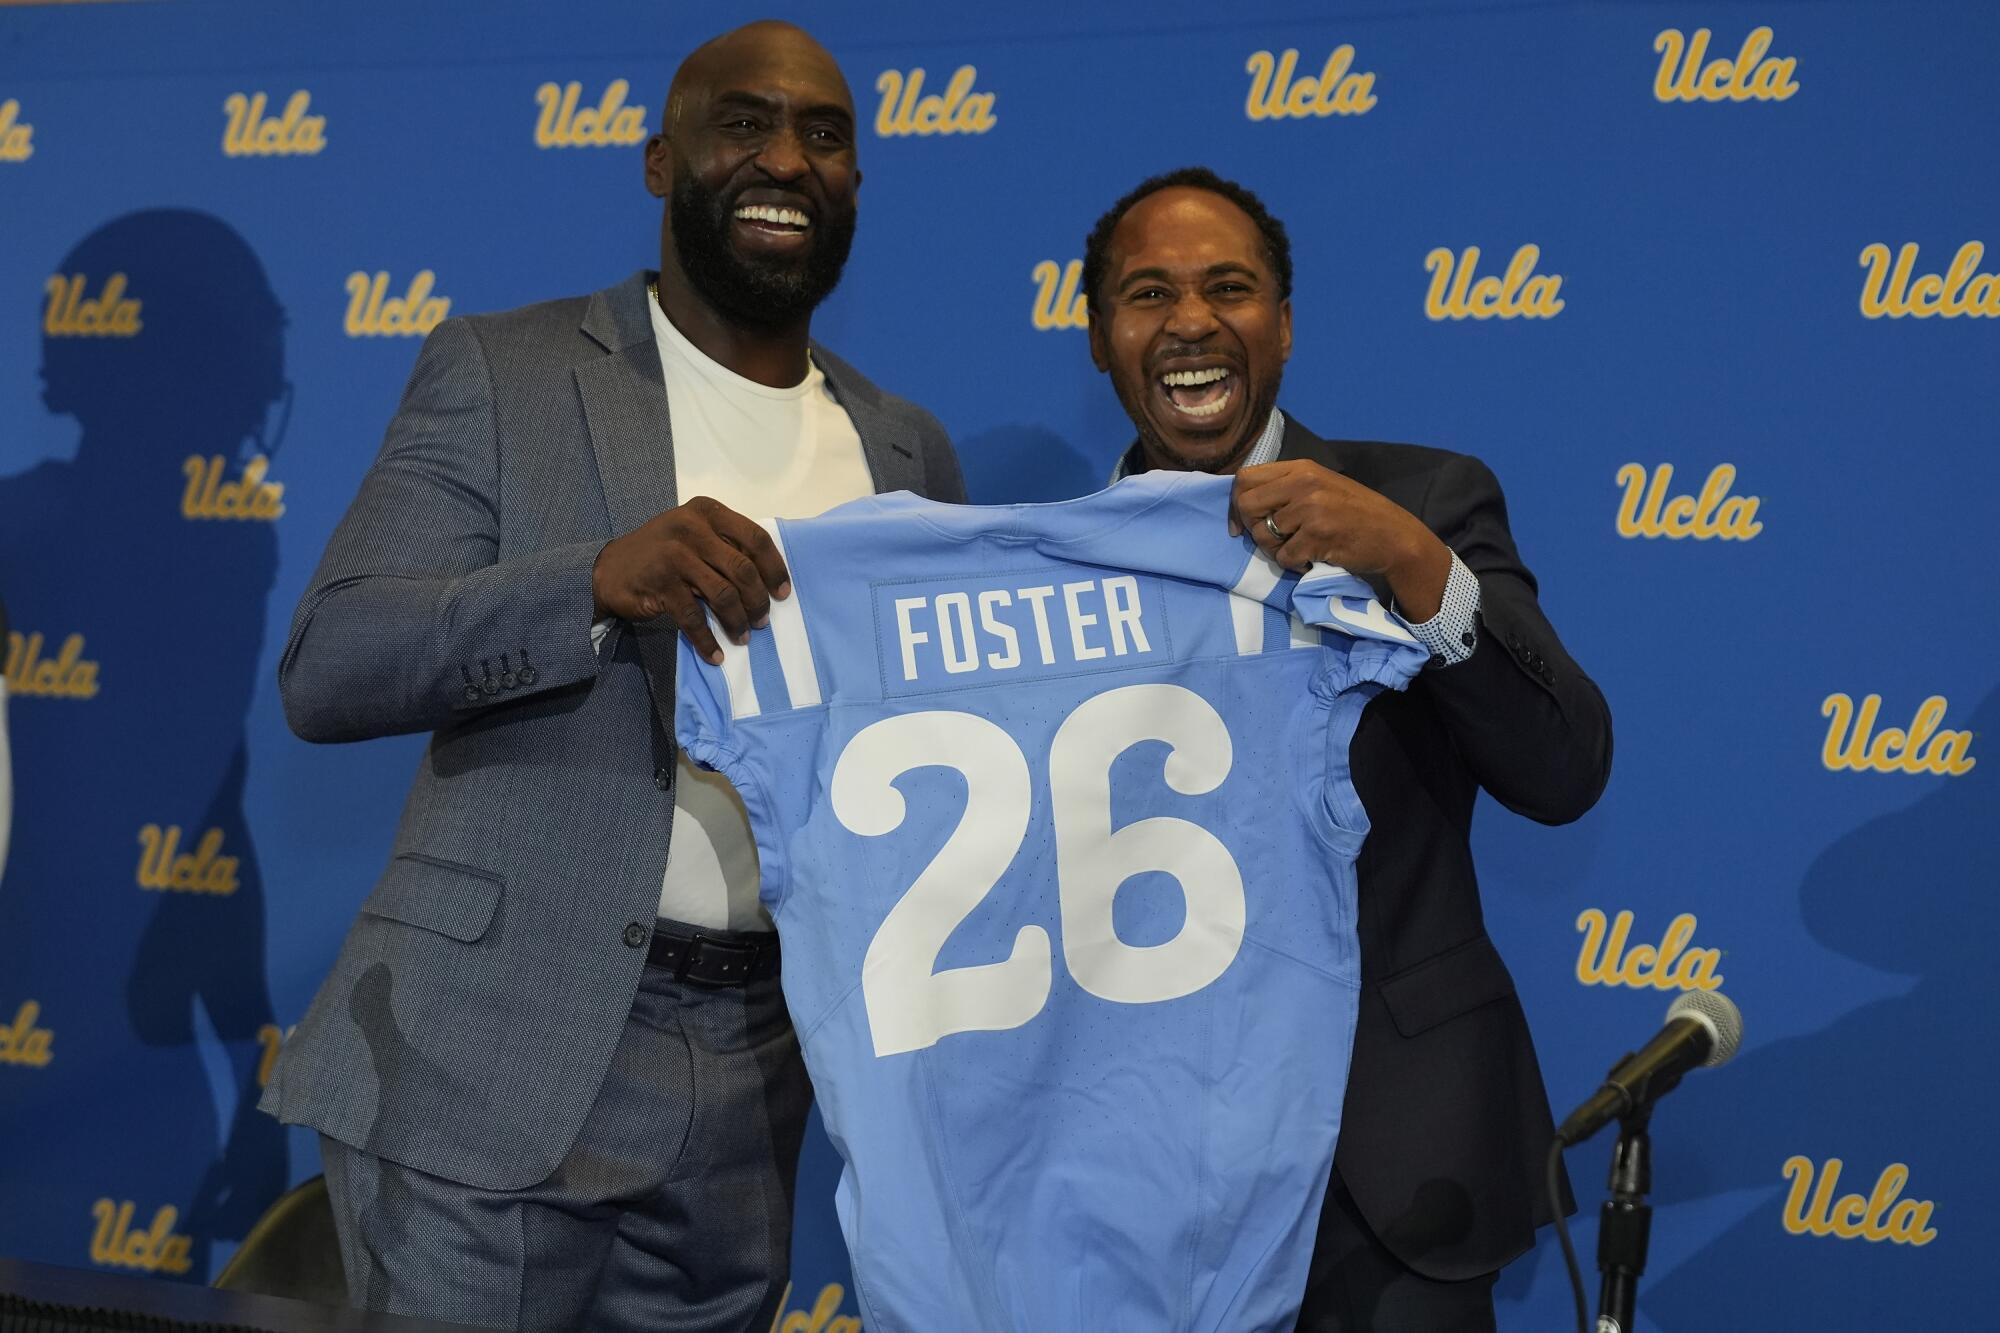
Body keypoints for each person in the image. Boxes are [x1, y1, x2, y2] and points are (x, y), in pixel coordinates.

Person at [260, 22, 964, 1332]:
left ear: (856, 180)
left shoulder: (905, 450)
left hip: (756, 1080)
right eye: (742, 123)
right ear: (659, 161)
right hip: (488, 1051)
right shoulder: (505, 369)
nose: (785, 159)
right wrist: (591, 579)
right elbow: (331, 661)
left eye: (824, 135)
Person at [1080, 167, 1613, 1332]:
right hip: (1143, 1181)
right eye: (1146, 292)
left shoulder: (1419, 499)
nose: (1189, 321)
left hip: (1392, 1169)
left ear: (1281, 322)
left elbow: (1563, 767)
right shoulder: (1051, 575)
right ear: (1097, 337)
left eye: (1229, 287)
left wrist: (1415, 565)